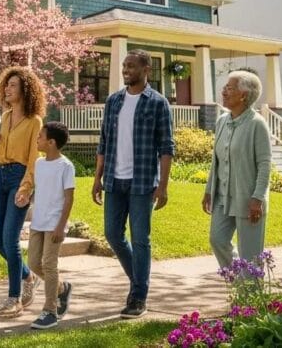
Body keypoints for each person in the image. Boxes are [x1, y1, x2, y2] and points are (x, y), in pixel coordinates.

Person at [92, 49, 174, 319]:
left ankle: (139, 296)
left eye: (131, 66)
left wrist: (163, 185)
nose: (126, 70)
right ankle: (138, 280)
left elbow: (166, 147)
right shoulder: (114, 101)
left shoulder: (158, 103)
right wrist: (97, 178)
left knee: (140, 239)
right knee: (112, 234)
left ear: (146, 70)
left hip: (142, 182)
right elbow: (104, 141)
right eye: (124, 66)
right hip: (114, 180)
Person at [0, 66, 45, 318]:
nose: (7, 89)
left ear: (25, 90)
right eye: (6, 85)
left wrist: (26, 187)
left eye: (13, 85)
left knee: (10, 239)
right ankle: (28, 276)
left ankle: (14, 298)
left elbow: (33, 159)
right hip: (0, 176)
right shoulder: (5, 116)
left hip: (19, 178)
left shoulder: (34, 121)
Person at [202, 70, 272, 269]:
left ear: (243, 95)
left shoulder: (257, 124)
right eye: (225, 87)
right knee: (217, 240)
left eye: (229, 88)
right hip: (222, 197)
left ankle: (250, 286)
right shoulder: (222, 121)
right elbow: (216, 160)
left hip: (248, 199)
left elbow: (265, 164)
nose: (223, 91)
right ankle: (238, 277)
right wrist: (209, 190)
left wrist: (257, 198)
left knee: (250, 253)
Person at [15, 121, 75, 330]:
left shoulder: (66, 166)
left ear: (51, 142)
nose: (37, 139)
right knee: (33, 263)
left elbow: (69, 199)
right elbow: (41, 191)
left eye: (40, 136)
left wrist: (61, 226)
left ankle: (50, 311)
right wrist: (27, 198)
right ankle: (61, 288)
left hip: (54, 224)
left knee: (49, 264)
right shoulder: (39, 164)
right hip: (38, 223)